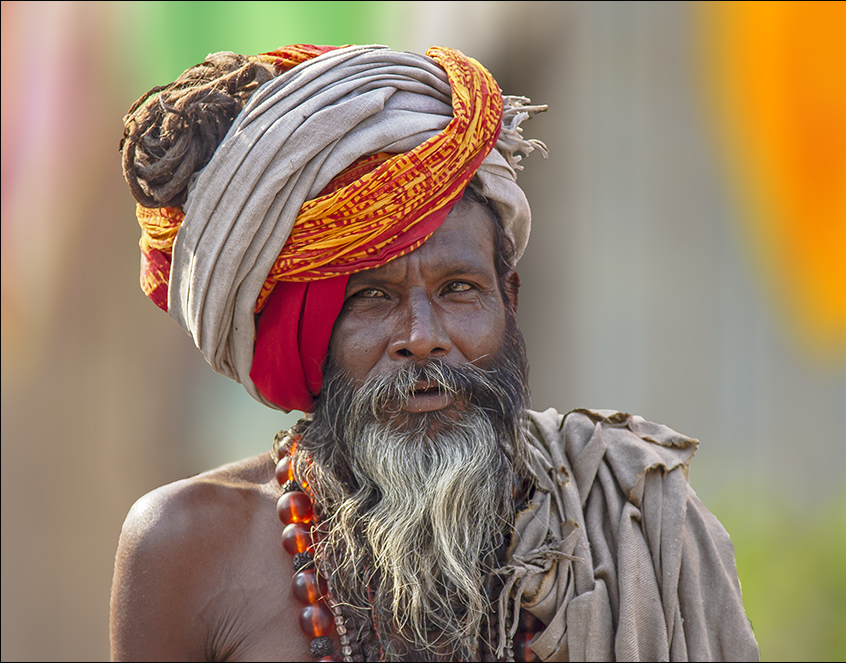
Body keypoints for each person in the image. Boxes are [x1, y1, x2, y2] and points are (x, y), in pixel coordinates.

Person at [110, 44, 759, 662]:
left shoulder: (627, 519)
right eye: (371, 297)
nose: (421, 334)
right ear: (311, 332)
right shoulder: (189, 546)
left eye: (458, 289)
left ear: (509, 297)